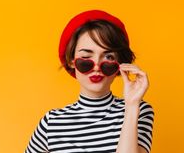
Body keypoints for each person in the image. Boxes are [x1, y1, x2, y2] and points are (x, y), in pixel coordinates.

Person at [25, 10, 154, 153]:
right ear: (71, 61)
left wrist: (131, 105)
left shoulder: (138, 110)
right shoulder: (51, 123)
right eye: (86, 57)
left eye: (108, 57)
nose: (97, 67)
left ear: (119, 64)